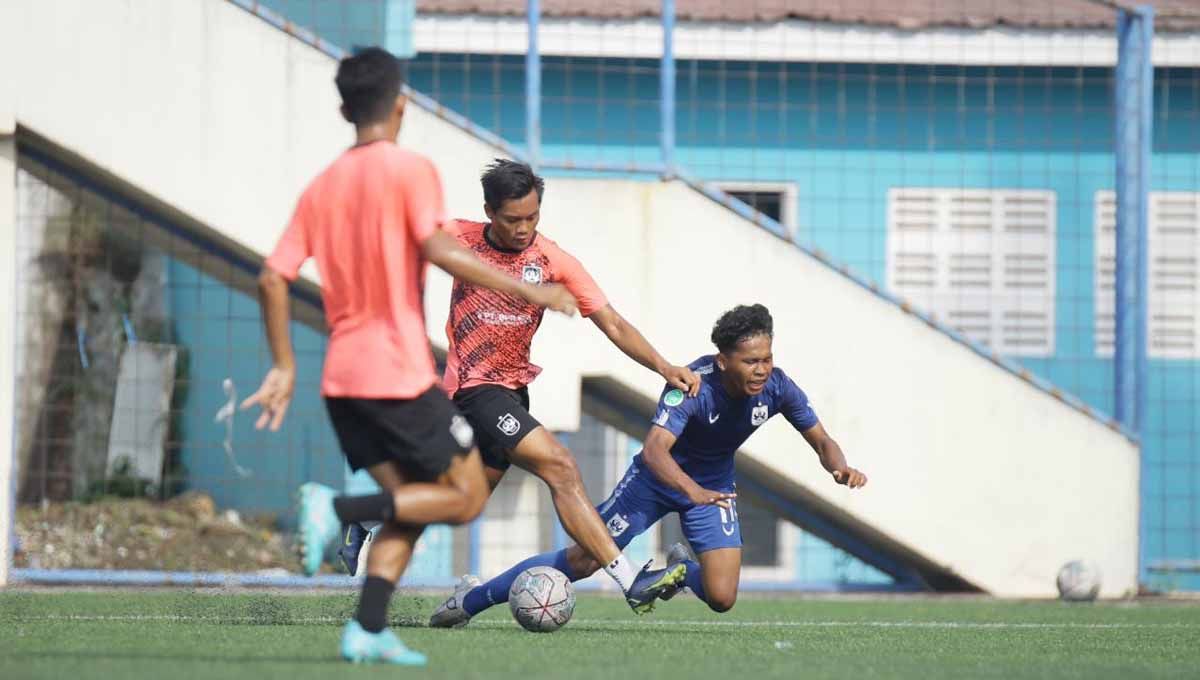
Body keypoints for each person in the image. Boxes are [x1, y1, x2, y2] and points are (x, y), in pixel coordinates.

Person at [240, 47, 576, 666]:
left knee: (419, 500)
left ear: (345, 108)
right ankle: (334, 508)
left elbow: (271, 279)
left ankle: (367, 628)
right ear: (400, 105)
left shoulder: (320, 187)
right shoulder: (410, 169)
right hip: (394, 373)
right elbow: (437, 248)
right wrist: (530, 289)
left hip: (340, 381)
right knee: (468, 494)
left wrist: (284, 365)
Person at [345, 158, 701, 616]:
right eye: (513, 219)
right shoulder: (459, 236)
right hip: (473, 389)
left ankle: (372, 518)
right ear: (490, 211)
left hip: (511, 394)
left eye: (532, 217)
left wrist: (663, 366)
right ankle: (630, 580)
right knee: (561, 465)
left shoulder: (551, 259)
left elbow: (611, 321)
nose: (523, 228)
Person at [429, 303, 867, 625]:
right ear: (723, 360)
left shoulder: (778, 387)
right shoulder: (691, 386)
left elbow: (821, 438)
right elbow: (656, 450)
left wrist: (838, 466)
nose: (762, 370)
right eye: (751, 361)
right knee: (582, 561)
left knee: (722, 596)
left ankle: (674, 574)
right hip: (653, 483)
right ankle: (471, 599)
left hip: (712, 487)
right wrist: (689, 491)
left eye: (767, 359)